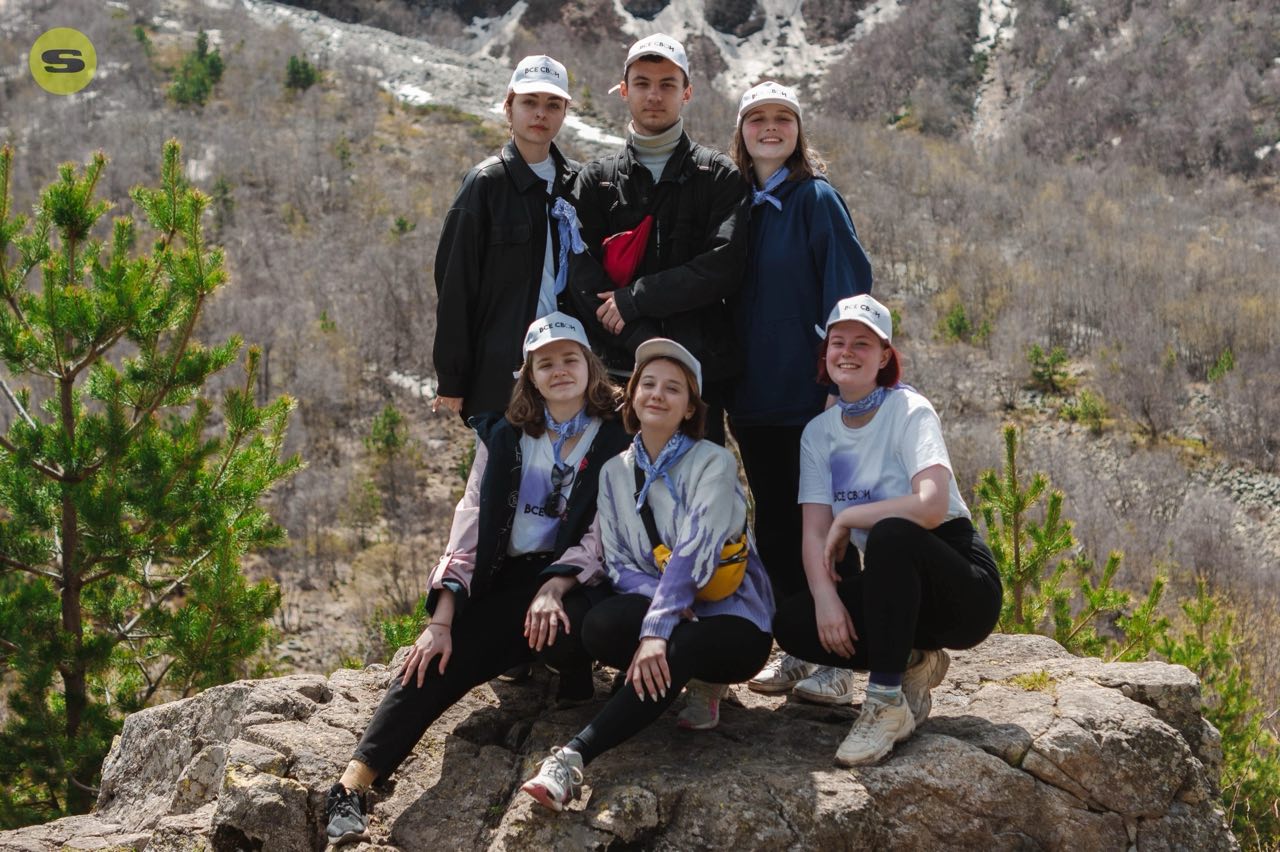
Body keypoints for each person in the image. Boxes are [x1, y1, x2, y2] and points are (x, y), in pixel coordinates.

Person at [324, 313, 628, 845]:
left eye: (570, 359)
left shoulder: (616, 438)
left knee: (571, 625)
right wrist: (442, 619)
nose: (560, 371)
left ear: (591, 366)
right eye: (545, 363)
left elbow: (604, 534)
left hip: (579, 581)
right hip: (508, 581)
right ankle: (352, 786)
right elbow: (469, 523)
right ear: (529, 375)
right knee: (434, 660)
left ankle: (569, 667)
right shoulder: (502, 437)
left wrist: (555, 586)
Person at [518, 339, 774, 812]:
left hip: (734, 619)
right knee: (600, 625)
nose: (658, 394)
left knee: (680, 645)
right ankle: (677, 677)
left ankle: (573, 758)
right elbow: (618, 564)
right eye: (648, 384)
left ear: (690, 406)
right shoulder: (616, 471)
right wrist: (668, 608)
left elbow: (695, 554)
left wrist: (658, 629)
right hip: (673, 606)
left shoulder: (713, 463)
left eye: (672, 388)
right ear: (632, 395)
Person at [773, 294, 1001, 767]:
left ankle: (884, 702)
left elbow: (932, 506)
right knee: (793, 624)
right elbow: (814, 532)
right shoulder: (819, 433)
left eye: (863, 343)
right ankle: (915, 660)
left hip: (959, 586)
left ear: (884, 357)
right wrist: (826, 600)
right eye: (838, 343)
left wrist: (851, 516)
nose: (848, 352)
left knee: (891, 535)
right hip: (891, 586)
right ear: (825, 355)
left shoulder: (909, 410)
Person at [723, 81, 875, 703]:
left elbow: (849, 294)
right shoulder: (735, 204)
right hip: (751, 397)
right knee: (777, 530)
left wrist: (838, 384)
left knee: (830, 526)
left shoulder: (816, 199)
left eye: (782, 118)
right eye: (757, 118)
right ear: (741, 131)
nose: (770, 127)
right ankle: (799, 647)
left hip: (810, 398)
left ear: (797, 131)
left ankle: (845, 661)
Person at [565, 34, 747, 445]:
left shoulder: (717, 175)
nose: (654, 95)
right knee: (614, 498)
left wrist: (636, 299)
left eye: (667, 84)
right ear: (625, 91)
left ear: (687, 93)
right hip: (616, 376)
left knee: (698, 501)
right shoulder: (597, 182)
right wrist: (642, 341)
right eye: (643, 83)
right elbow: (581, 276)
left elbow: (723, 266)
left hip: (696, 380)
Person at [432, 55, 585, 422]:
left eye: (552, 105)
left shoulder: (579, 184)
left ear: (565, 112)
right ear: (509, 107)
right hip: (501, 375)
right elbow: (455, 286)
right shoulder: (485, 184)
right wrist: (452, 379)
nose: (540, 114)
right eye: (529, 102)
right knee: (503, 478)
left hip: (569, 373)